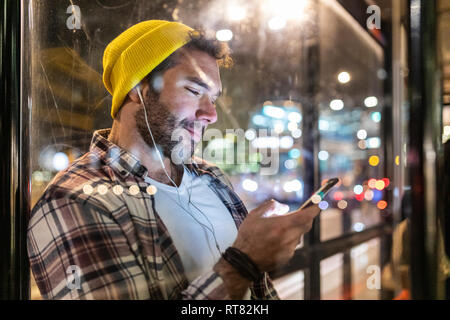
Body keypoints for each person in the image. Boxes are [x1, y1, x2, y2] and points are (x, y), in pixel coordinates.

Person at [27, 20, 320, 300]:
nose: (211, 114)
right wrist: (244, 262)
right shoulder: (76, 199)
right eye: (194, 90)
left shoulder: (211, 176)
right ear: (138, 89)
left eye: (214, 99)